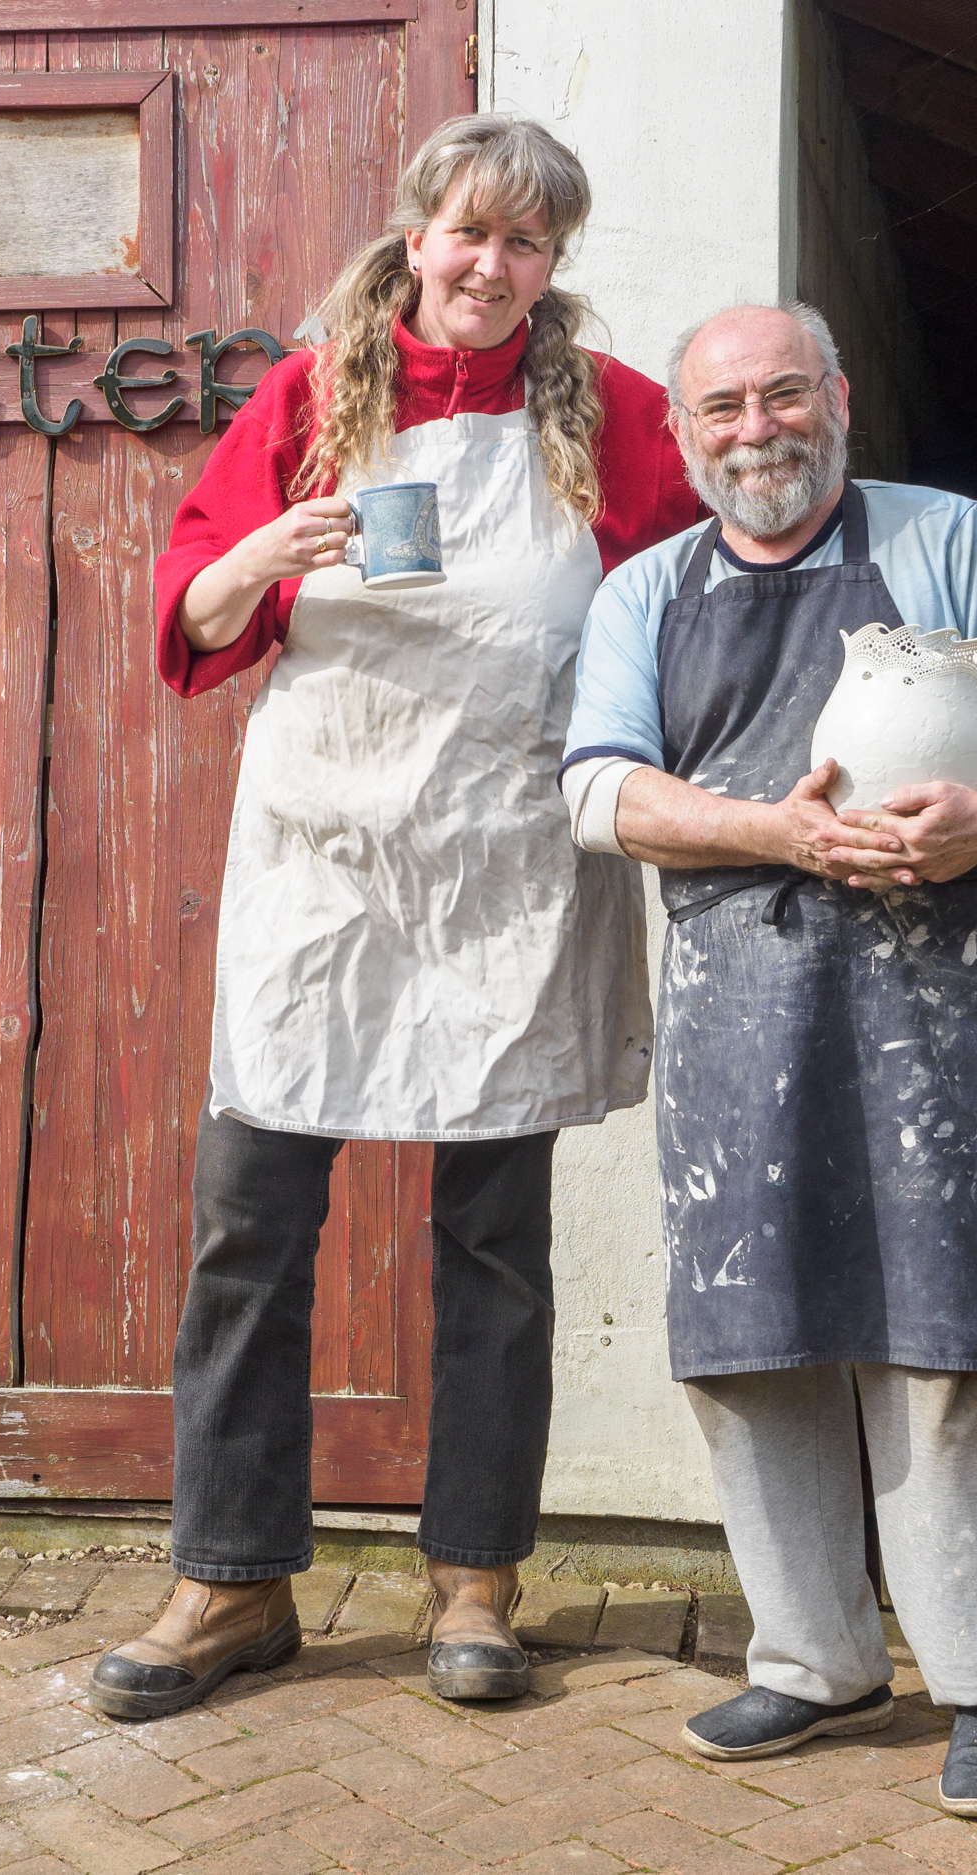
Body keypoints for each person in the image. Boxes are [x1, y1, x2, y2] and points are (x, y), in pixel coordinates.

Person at [88, 114, 697, 1723]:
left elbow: (707, 592)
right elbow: (191, 613)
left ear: (551, 265)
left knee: (496, 1245)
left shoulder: (618, 417)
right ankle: (229, 1580)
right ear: (416, 232)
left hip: (510, 869)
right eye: (468, 233)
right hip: (325, 870)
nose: (491, 268)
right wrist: (270, 552)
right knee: (250, 1229)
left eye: (528, 244)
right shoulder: (307, 399)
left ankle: (477, 1582)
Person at [559, 301, 977, 1818]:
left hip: (932, 1002)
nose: (757, 431)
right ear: (683, 434)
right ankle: (811, 1660)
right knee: (750, 1338)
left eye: (783, 397)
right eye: (722, 408)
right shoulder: (645, 594)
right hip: (739, 1008)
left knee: (945, 1340)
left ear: (839, 399)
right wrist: (773, 830)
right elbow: (600, 793)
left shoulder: (946, 538)